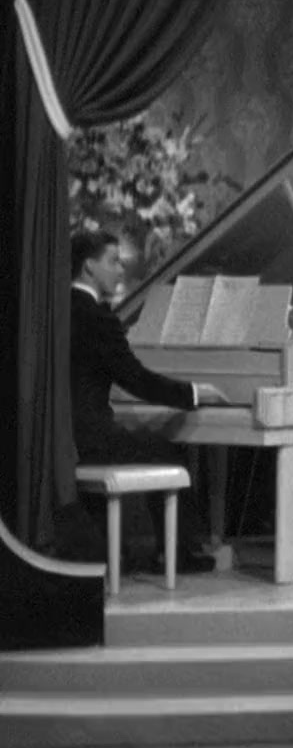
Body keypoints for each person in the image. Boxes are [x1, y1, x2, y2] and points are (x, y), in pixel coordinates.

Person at [70, 230, 226, 573]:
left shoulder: (59, 310)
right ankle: (178, 553)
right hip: (92, 440)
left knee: (149, 443)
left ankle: (142, 550)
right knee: (167, 451)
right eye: (113, 261)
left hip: (68, 437)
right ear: (89, 267)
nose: (120, 270)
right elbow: (137, 380)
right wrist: (193, 393)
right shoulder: (98, 319)